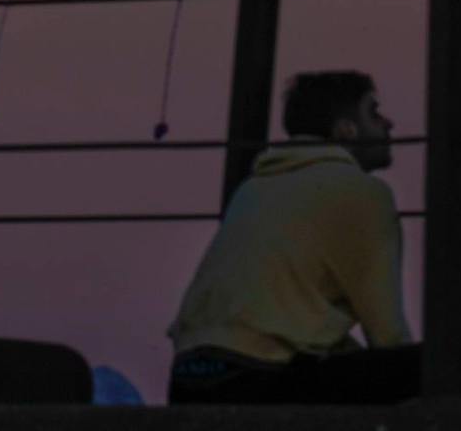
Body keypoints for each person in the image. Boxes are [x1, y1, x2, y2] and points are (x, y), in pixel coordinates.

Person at [166, 71, 421, 405]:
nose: (389, 124)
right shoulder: (363, 194)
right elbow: (387, 334)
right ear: (346, 129)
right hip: (258, 379)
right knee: (432, 366)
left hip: (188, 382)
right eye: (373, 112)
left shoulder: (254, 186)